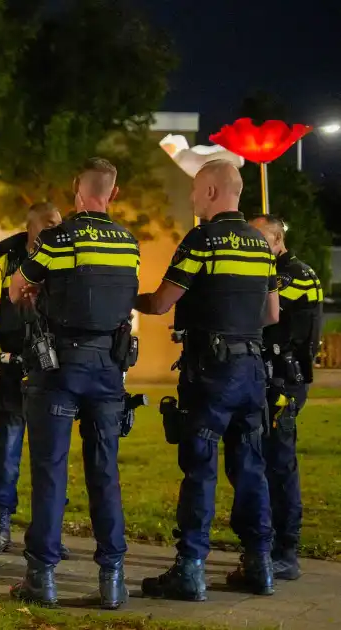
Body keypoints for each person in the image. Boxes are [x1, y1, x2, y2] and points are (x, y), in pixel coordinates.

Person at [135, 160, 280, 601]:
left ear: (214, 192)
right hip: (253, 370)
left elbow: (162, 302)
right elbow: (272, 314)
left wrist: (120, 297)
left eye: (197, 192)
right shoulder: (260, 244)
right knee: (250, 467)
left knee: (200, 468)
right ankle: (260, 565)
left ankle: (191, 569)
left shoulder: (202, 239)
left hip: (212, 373)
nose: (194, 200)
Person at [6, 158, 139, 609]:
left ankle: (41, 578)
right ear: (113, 194)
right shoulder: (128, 243)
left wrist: (40, 290)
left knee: (50, 471)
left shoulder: (58, 238)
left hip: (58, 368)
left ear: (76, 189)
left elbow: (16, 287)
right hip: (108, 369)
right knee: (105, 472)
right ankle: (113, 580)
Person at [0, 202, 65, 557]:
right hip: (9, 372)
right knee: (6, 452)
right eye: (48, 223)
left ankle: (48, 535)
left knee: (50, 458)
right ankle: (1, 528)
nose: (54, 229)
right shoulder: (2, 257)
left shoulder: (66, 253)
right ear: (29, 226)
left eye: (58, 224)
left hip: (51, 374)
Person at [250, 215, 323, 582]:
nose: (253, 243)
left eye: (260, 237)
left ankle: (286, 551)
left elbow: (266, 316)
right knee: (260, 463)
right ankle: (264, 545)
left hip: (284, 383)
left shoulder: (297, 275)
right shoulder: (274, 272)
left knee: (279, 464)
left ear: (278, 239)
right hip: (268, 379)